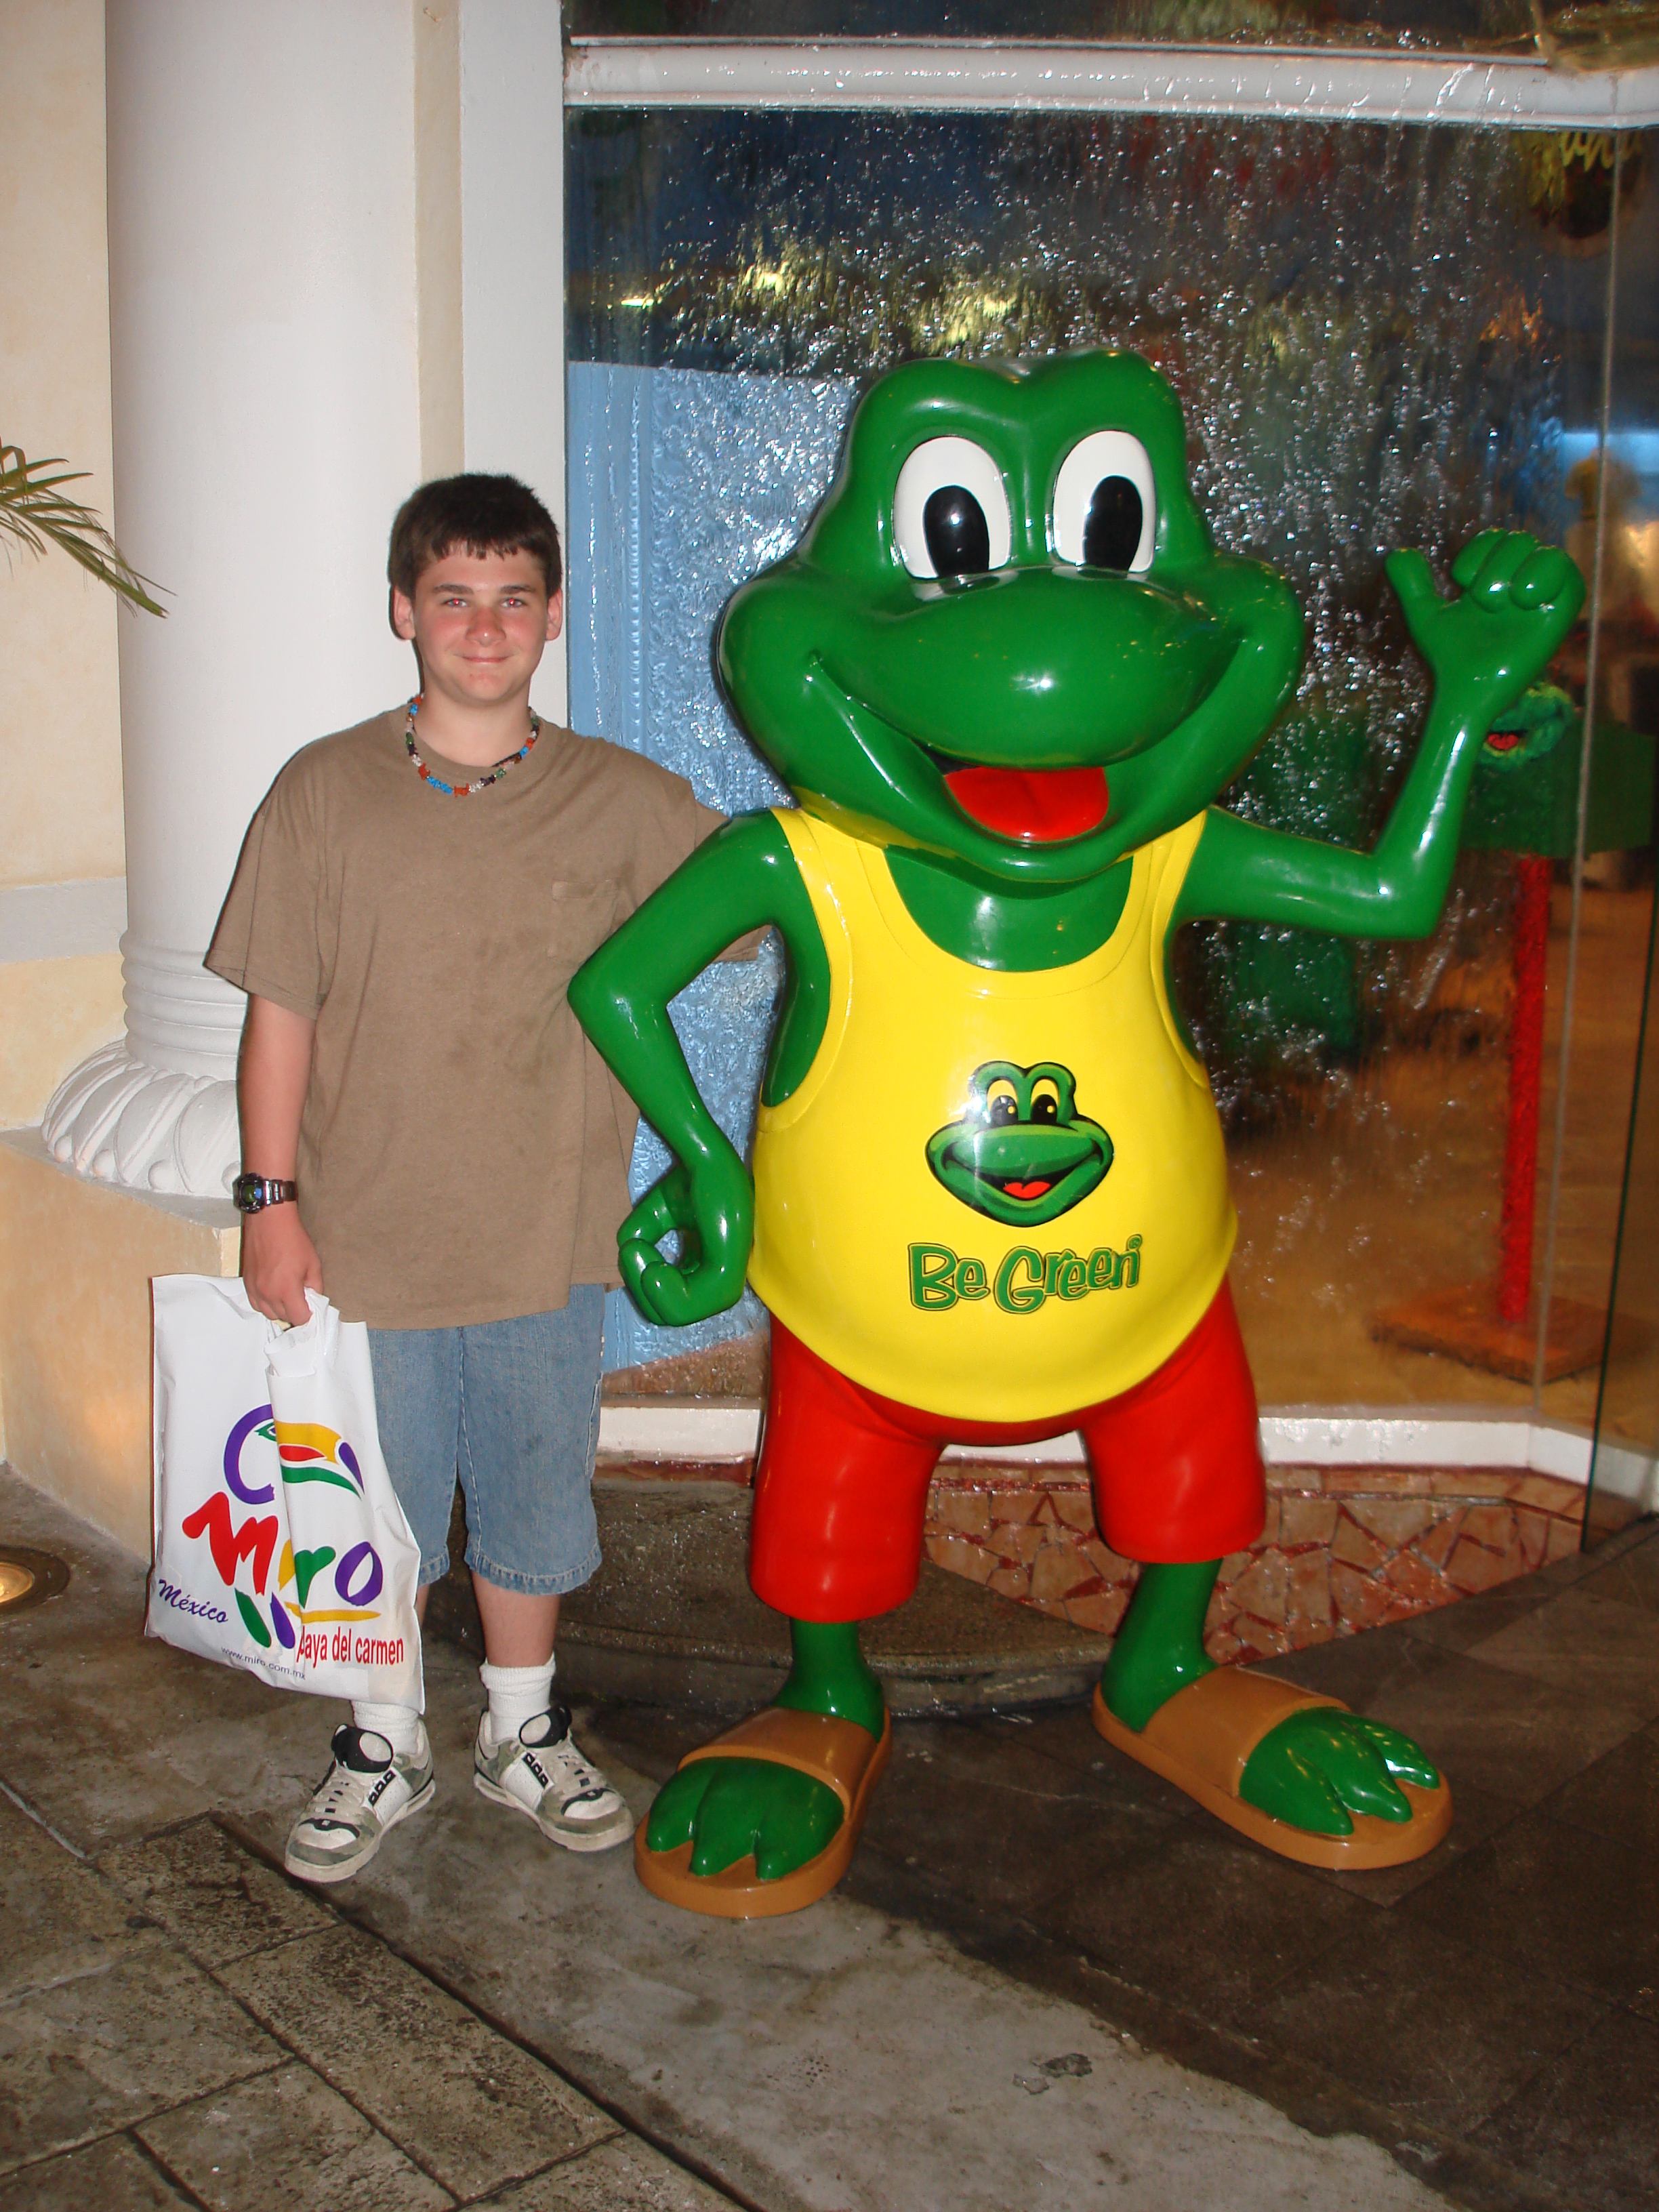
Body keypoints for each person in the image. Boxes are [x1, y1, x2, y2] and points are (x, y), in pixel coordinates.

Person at [208, 472, 734, 1883]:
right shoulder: (322, 793)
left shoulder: (623, 799)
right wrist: (268, 1205)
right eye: (455, 597)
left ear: (554, 616)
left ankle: (520, 1728)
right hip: (362, 1236)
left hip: (544, 1234)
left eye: (514, 599)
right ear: (405, 612)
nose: (485, 626)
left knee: (534, 1497)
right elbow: (278, 1014)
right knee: (369, 1510)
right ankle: (383, 1739)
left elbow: (756, 911)